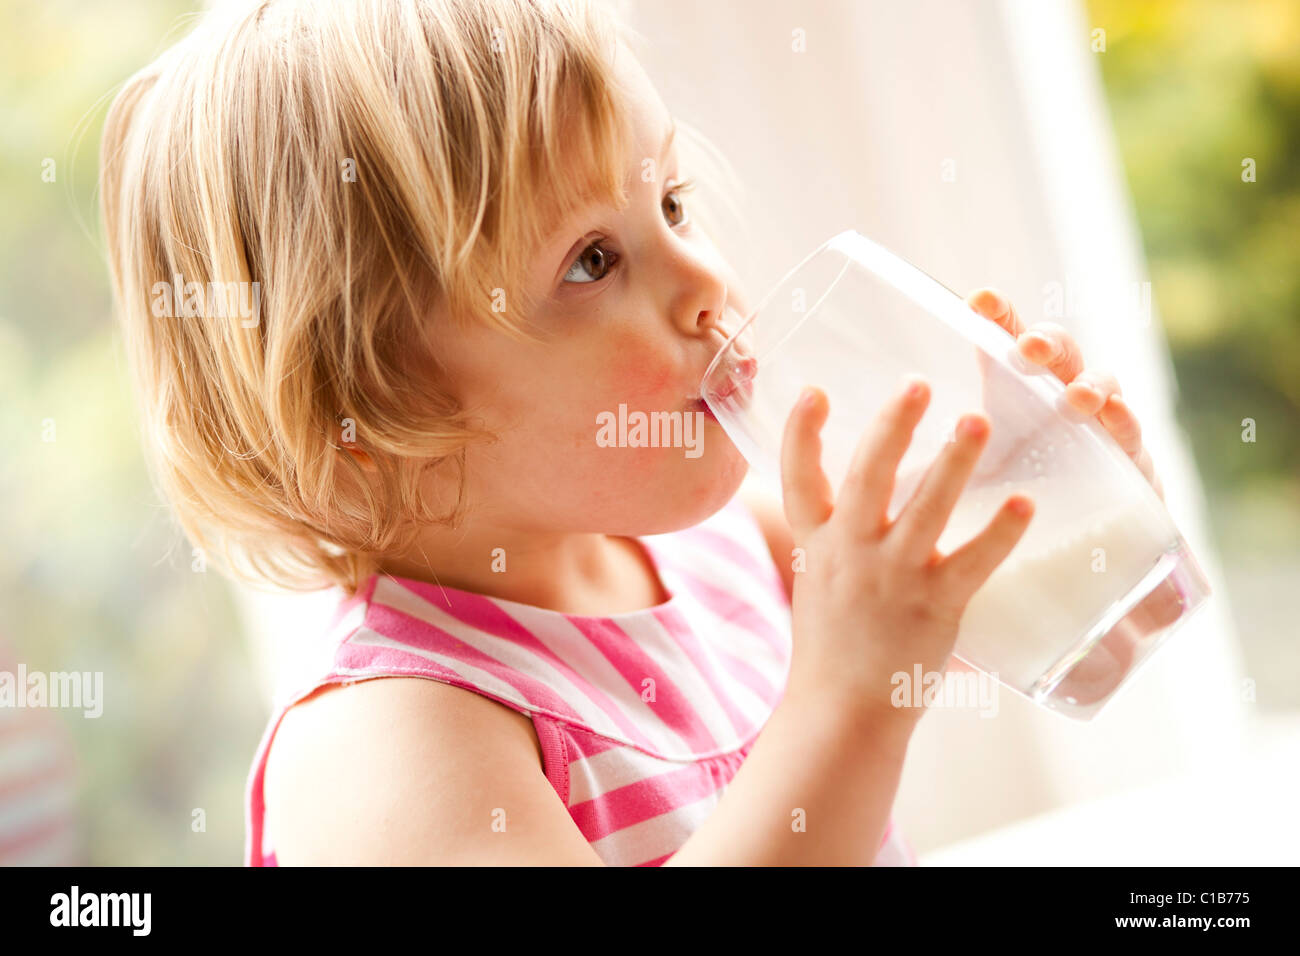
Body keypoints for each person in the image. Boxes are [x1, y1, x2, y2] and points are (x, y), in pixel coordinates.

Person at [97, 0, 1164, 866]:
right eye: (590, 261)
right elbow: (861, 702)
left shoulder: (734, 551)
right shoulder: (390, 741)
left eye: (675, 205)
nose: (704, 281)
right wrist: (848, 700)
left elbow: (1090, 656)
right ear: (367, 413)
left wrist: (1071, 514)